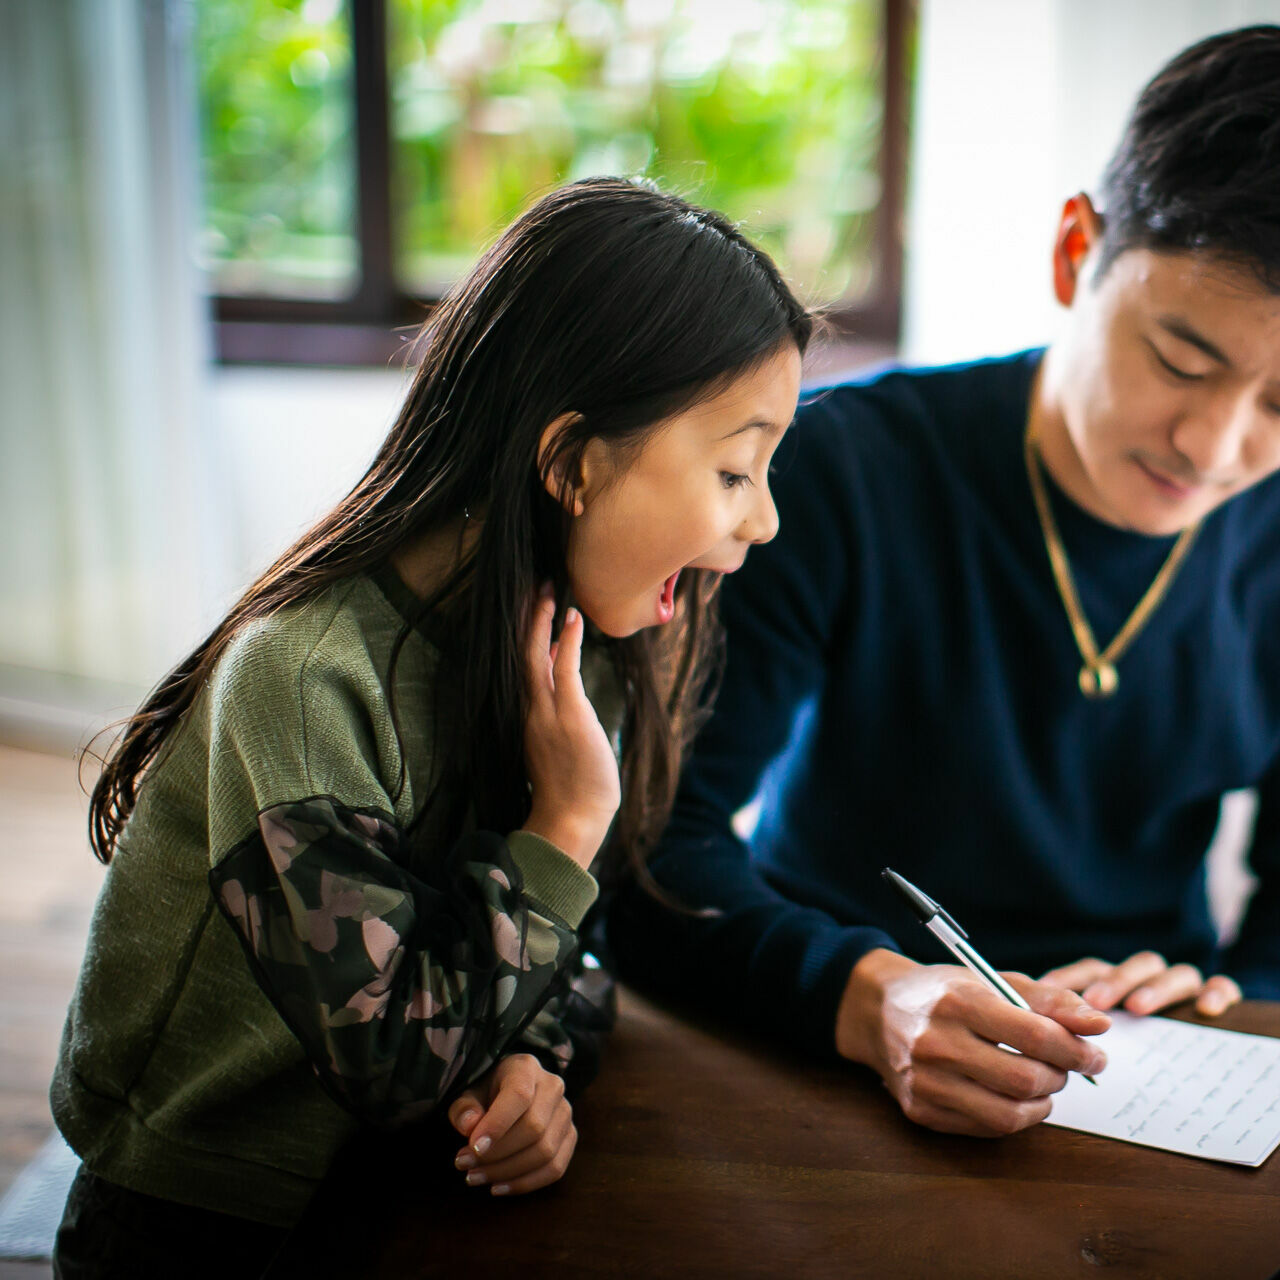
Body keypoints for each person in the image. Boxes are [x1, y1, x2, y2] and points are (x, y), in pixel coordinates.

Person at [594, 24, 1280, 1138]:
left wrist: (1229, 1009)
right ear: (1073, 253)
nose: (1212, 443)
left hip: (1145, 1078)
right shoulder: (843, 470)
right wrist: (875, 995)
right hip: (825, 1041)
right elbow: (660, 848)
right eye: (1183, 360)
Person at [49, 178, 814, 1277]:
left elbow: (584, 953)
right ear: (571, 463)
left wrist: (532, 1069)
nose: (766, 517)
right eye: (736, 468)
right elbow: (396, 1058)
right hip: (198, 1221)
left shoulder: (575, 652)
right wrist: (568, 819)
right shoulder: (305, 681)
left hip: (406, 1197)